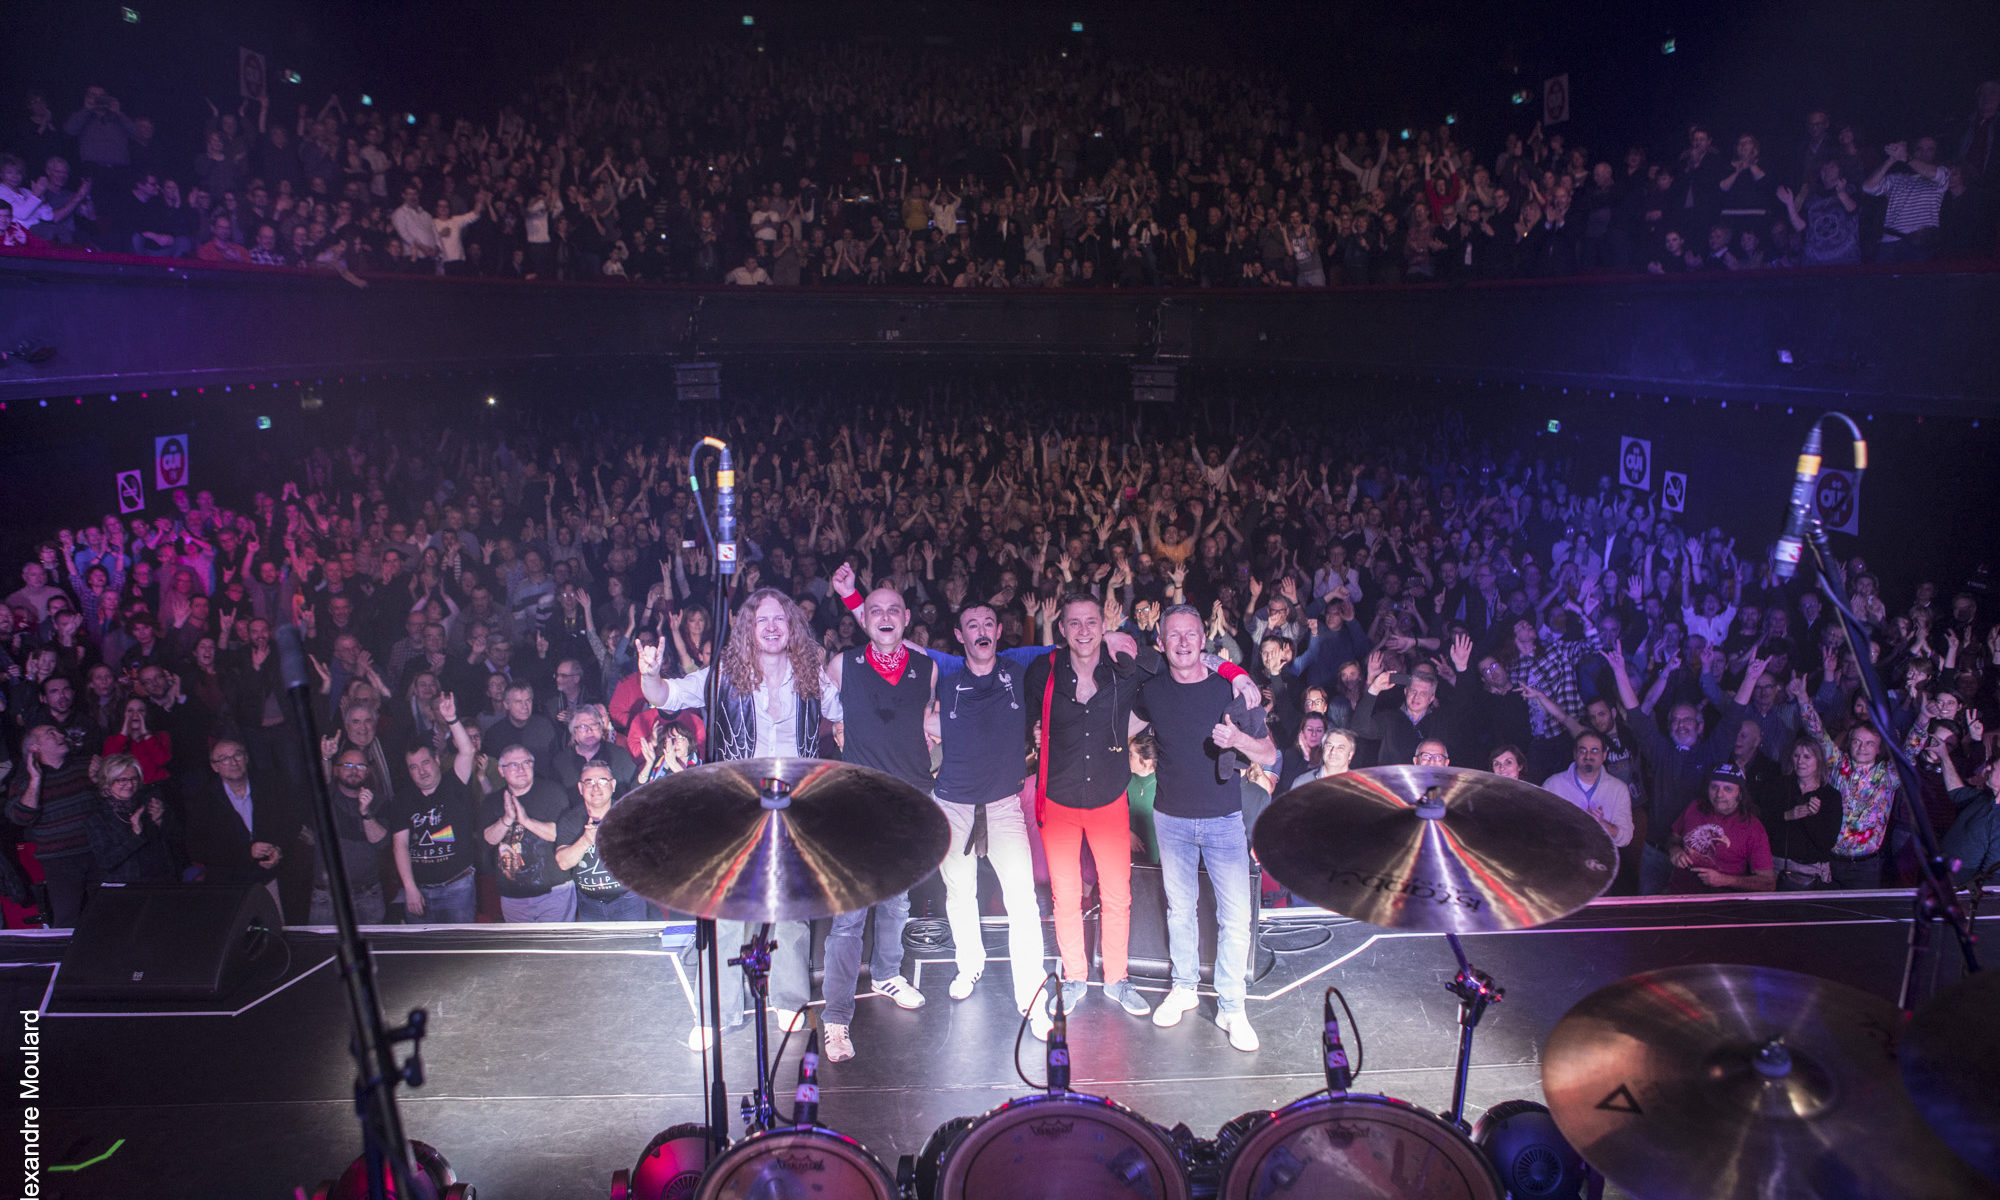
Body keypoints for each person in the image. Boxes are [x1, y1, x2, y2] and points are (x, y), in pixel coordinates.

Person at [640, 587, 841, 1046]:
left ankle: (789, 1000)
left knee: (790, 909)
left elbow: (845, 711)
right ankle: (718, 1012)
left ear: (792, 627)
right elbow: (666, 695)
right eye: (761, 620)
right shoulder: (721, 676)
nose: (771, 627)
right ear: (747, 629)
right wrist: (649, 675)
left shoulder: (812, 676)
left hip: (794, 800)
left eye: (779, 619)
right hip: (737, 801)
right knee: (725, 910)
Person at [1135, 605, 1277, 1052]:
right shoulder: (1152, 689)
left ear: (1203, 639)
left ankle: (1233, 1007)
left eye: (1190, 634)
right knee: (1181, 910)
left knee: (1235, 917)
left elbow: (1269, 755)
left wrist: (1238, 741)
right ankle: (1184, 988)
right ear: (1161, 641)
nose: (1182, 642)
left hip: (1223, 820)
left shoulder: (1231, 691)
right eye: (1173, 635)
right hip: (1170, 817)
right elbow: (1122, 725)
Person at [817, 568, 934, 1063]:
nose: (884, 617)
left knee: (897, 904)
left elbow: (927, 720)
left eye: (894, 610)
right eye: (875, 610)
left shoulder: (927, 666)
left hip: (908, 802)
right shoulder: (843, 665)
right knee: (849, 920)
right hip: (859, 804)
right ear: (862, 619)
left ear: (906, 619)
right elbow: (820, 710)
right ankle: (836, 1019)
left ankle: (887, 974)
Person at [1024, 593, 1159, 1021]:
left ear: (1103, 625)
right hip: (1059, 799)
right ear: (1061, 629)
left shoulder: (1121, 670)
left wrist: (1126, 640)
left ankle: (1117, 978)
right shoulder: (1042, 671)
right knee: (1066, 897)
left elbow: (1161, 665)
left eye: (1091, 622)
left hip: (1108, 797)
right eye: (1074, 623)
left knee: (1117, 894)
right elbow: (1025, 721)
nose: (1083, 630)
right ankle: (1076, 975)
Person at [921, 601, 1054, 1034]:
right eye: (970, 625)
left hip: (1002, 806)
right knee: (960, 894)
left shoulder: (1018, 665)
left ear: (999, 631)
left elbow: (1071, 647)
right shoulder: (946, 671)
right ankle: (970, 965)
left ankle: (1033, 997)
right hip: (952, 804)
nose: (980, 630)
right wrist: (849, 595)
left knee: (1022, 900)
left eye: (987, 624)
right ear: (960, 636)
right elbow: (894, 639)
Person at [388, 695, 484, 924]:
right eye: (413, 767)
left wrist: (451, 719)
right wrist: (409, 888)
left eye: (425, 763)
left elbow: (467, 752)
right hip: (419, 892)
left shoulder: (454, 782)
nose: (421, 771)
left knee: (461, 951)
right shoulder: (403, 799)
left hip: (458, 887)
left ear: (437, 760)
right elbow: (399, 844)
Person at [182, 739, 299, 915]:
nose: (233, 762)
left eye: (237, 755)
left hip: (269, 881)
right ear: (215, 766)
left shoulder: (272, 787)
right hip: (228, 886)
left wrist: (279, 849)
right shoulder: (202, 800)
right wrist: (246, 852)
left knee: (275, 934)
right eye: (224, 758)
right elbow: (196, 848)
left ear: (246, 758)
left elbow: (290, 824)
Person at [482, 745, 575, 922]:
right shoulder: (492, 801)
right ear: (501, 771)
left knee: (557, 946)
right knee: (522, 948)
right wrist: (507, 819)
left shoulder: (553, 792)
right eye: (513, 765)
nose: (521, 769)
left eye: (526, 763)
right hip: (513, 896)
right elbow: (489, 839)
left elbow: (558, 835)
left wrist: (526, 821)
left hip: (554, 891)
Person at [555, 761, 647, 921]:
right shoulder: (570, 819)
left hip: (628, 901)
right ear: (580, 788)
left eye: (602, 781)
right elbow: (563, 863)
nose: (596, 788)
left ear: (613, 785)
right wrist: (585, 840)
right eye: (589, 782)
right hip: (588, 905)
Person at [311, 748, 392, 924]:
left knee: (374, 950)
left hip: (369, 895)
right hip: (328, 895)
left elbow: (381, 842)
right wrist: (325, 757)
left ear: (368, 772)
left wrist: (366, 813)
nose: (354, 771)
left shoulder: (378, 800)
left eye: (360, 766)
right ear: (336, 770)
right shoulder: (325, 798)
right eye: (347, 765)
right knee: (322, 949)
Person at [1667, 763, 1775, 892]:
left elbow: (1768, 883)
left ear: (1739, 793)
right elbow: (1673, 839)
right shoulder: (1695, 807)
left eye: (1728, 789)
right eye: (1714, 787)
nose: (1719, 795)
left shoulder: (1753, 827)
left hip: (1723, 900)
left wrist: (1725, 880)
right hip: (1680, 893)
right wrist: (1674, 850)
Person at [1765, 737, 1842, 890]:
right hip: (1777, 866)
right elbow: (1763, 825)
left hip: (1811, 870)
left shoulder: (1830, 796)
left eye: (1807, 756)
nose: (1800, 761)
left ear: (1819, 761)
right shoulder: (1778, 786)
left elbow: (1827, 843)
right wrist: (1787, 816)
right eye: (1796, 756)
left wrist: (1811, 817)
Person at [1541, 731, 1635, 852]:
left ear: (1604, 755)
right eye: (1582, 750)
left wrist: (1602, 824)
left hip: (1601, 863)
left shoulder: (1619, 789)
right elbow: (1542, 827)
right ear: (1575, 754)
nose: (1588, 756)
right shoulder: (1553, 784)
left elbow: (1626, 838)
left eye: (1595, 751)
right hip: (1561, 858)